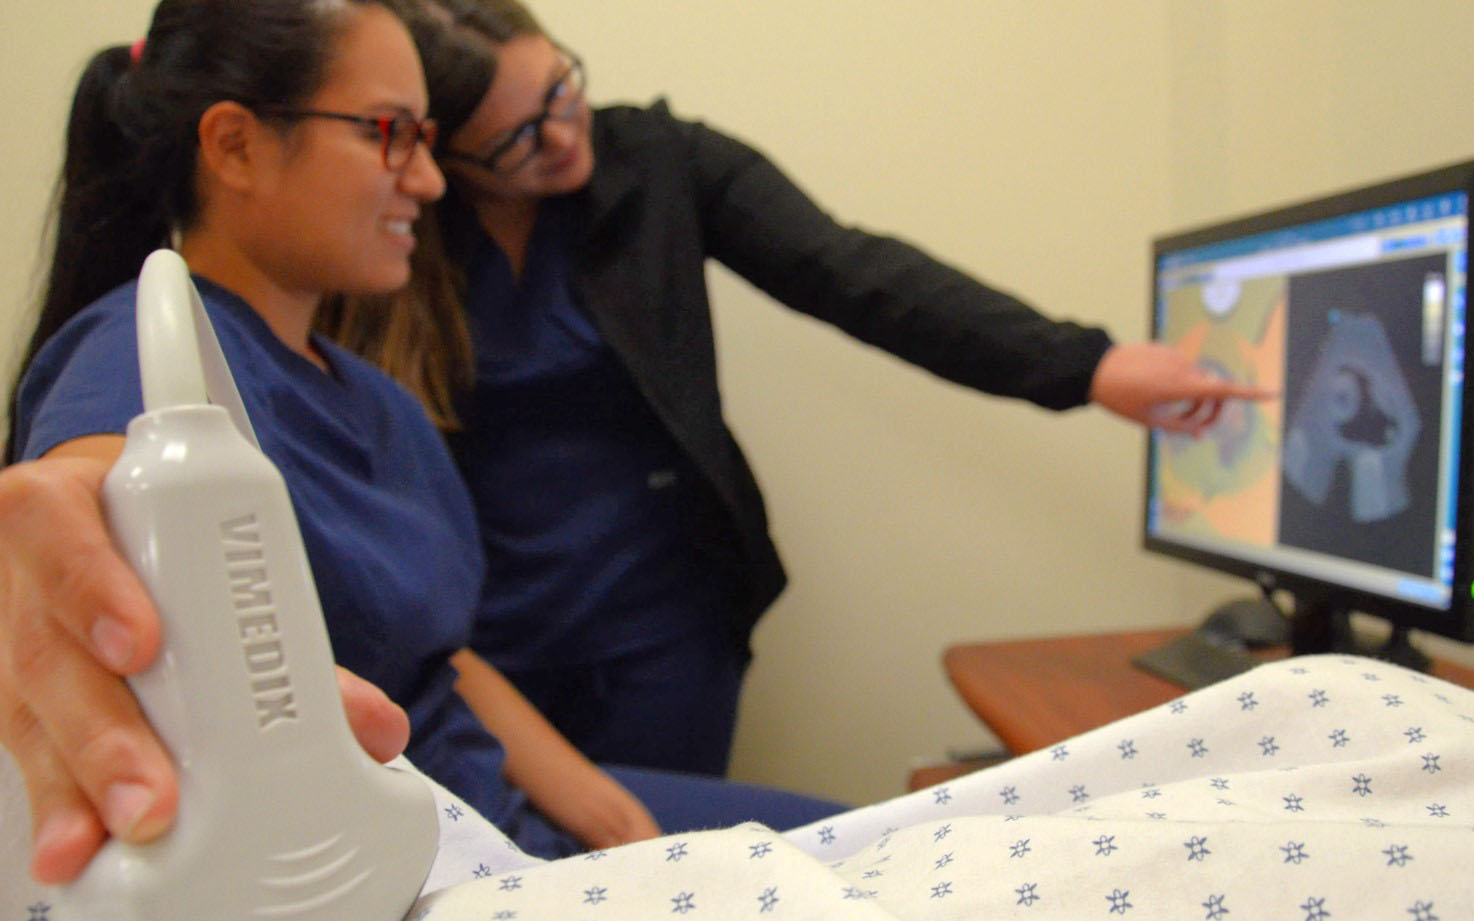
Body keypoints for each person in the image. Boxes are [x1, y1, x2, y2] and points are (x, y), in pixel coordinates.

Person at [0, 0, 840, 885]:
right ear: (236, 145)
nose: (433, 181)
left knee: (864, 846)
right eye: (390, 133)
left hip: (501, 810)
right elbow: (76, 528)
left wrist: (596, 801)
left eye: (428, 138)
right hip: (411, 863)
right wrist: (55, 580)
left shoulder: (377, 400)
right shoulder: (145, 355)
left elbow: (438, 655)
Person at [318, 0, 1272, 778]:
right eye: (519, 140)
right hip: (484, 644)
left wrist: (1089, 364)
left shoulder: (658, 160)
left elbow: (855, 275)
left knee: (668, 871)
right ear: (446, 161)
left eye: (563, 87)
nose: (565, 135)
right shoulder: (399, 229)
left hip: (665, 627)